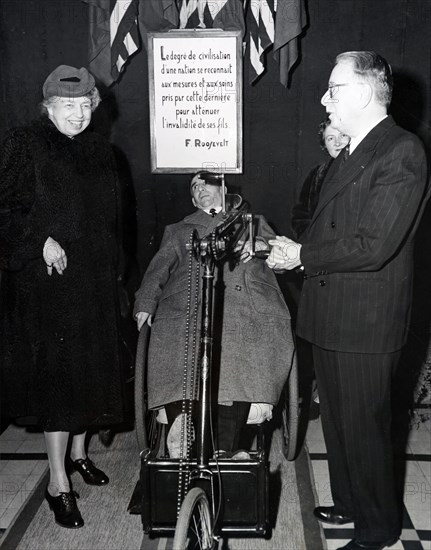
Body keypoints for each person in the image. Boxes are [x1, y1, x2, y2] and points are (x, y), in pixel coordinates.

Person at [266, 51, 429, 550]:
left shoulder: (401, 151)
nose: (324, 98)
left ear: (360, 93)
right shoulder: (355, 150)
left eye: (332, 89)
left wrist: (301, 256)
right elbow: (323, 223)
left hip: (365, 321)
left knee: (366, 430)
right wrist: (294, 251)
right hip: (332, 314)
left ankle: (377, 529)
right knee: (338, 425)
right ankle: (350, 503)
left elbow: (373, 246)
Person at [0, 65, 124, 528]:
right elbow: (5, 213)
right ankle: (58, 483)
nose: (77, 114)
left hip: (92, 283)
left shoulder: (100, 152)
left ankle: (77, 453)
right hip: (49, 287)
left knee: (89, 371)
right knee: (59, 380)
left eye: (84, 105)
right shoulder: (24, 143)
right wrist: (40, 243)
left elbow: (112, 222)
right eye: (66, 106)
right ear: (48, 108)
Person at [134, 171, 295, 458]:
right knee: (179, 347)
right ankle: (180, 432)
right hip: (187, 305)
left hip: (244, 305)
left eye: (205, 182)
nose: (199, 189)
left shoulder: (252, 222)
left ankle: (225, 449)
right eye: (194, 186)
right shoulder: (179, 230)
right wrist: (145, 303)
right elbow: (157, 270)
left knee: (235, 350)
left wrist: (259, 246)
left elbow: (282, 258)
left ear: (222, 186)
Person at [291, 119, 350, 420]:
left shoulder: (361, 170)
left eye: (341, 135)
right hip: (316, 265)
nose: (336, 142)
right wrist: (310, 244)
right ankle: (316, 392)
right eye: (330, 138)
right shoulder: (317, 175)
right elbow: (301, 214)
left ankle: (333, 395)